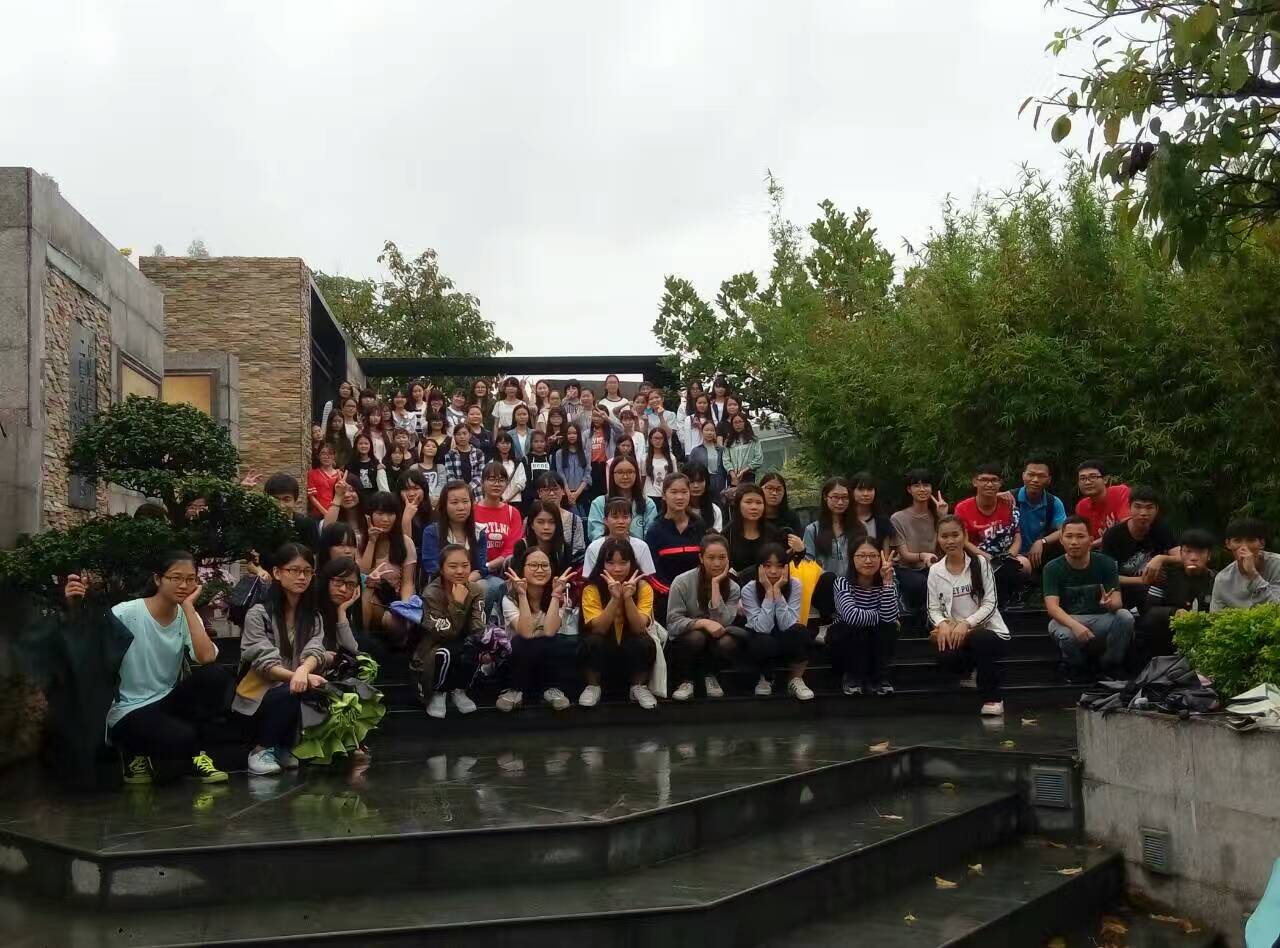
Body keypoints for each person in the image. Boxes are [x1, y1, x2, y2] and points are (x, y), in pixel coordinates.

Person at [74, 552, 229, 785]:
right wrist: (75, 605)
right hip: (128, 709)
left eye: (190, 579)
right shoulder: (127, 612)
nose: (184, 585)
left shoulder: (186, 614)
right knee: (181, 737)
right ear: (158, 579)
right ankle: (133, 752)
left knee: (215, 676)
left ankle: (198, 755)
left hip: (166, 701)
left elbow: (207, 657)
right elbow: (89, 643)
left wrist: (188, 608)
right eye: (176, 578)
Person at [235, 543, 329, 776]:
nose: (302, 577)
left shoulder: (313, 617)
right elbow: (264, 661)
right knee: (292, 691)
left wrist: (303, 672)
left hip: (294, 688)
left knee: (315, 689)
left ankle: (283, 745)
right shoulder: (259, 614)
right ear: (277, 573)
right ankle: (261, 749)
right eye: (294, 570)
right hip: (259, 696)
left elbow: (315, 649)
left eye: (307, 571)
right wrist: (298, 677)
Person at [927, 516, 1010, 716]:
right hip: (956, 635)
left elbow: (991, 603)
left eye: (955, 535)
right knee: (944, 655)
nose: (950, 541)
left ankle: (992, 698)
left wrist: (967, 623)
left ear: (964, 536)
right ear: (938, 538)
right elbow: (933, 608)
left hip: (988, 632)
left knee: (980, 639)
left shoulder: (980, 563)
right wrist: (943, 623)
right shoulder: (935, 571)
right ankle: (971, 671)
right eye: (944, 536)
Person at [1043, 516, 1134, 681]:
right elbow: (1052, 608)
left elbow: (1117, 602)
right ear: (1061, 540)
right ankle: (1077, 666)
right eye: (1069, 536)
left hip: (1100, 618)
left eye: (1080, 536)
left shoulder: (1106, 563)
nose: (1074, 542)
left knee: (1125, 617)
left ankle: (1110, 665)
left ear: (1091, 540)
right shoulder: (1052, 568)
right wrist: (1075, 626)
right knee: (1066, 634)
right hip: (1069, 619)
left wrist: (1108, 604)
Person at [579, 537, 658, 710]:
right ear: (602, 564)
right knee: (592, 641)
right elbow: (599, 628)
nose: (617, 569)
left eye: (623, 563)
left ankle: (638, 686)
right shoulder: (591, 588)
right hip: (604, 644)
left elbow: (640, 627)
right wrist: (615, 598)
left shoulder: (643, 586)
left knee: (644, 642)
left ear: (632, 563)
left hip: (630, 643)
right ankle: (593, 686)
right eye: (610, 563)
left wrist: (628, 598)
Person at [666, 533, 744, 701]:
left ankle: (711, 676)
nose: (717, 563)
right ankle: (685, 681)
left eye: (722, 557)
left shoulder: (733, 588)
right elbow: (673, 623)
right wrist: (702, 622)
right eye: (711, 557)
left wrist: (716, 585)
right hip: (686, 639)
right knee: (697, 637)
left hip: (716, 639)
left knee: (728, 642)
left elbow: (723, 622)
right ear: (701, 558)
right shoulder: (682, 582)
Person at [496, 551, 577, 712]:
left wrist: (555, 595)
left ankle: (551, 689)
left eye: (545, 565)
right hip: (518, 659)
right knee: (521, 641)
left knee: (554, 640)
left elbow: (550, 631)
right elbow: (526, 633)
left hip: (546, 658)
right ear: (522, 568)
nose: (540, 570)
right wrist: (522, 595)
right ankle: (515, 690)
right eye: (533, 565)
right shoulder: (510, 598)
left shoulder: (560, 598)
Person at [740, 543, 816, 701]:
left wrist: (778, 593)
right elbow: (762, 628)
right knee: (763, 640)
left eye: (779, 566)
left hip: (784, 636)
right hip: (760, 639)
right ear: (759, 568)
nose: (773, 571)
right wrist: (769, 593)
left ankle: (795, 679)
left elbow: (788, 624)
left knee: (800, 632)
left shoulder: (795, 585)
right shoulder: (749, 589)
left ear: (786, 567)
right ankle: (765, 677)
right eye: (768, 566)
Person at [416, 544, 483, 719]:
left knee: (477, 646)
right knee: (447, 651)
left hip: (463, 640)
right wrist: (458, 605)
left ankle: (460, 690)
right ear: (442, 569)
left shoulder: (475, 590)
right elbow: (445, 633)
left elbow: (478, 626)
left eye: (465, 565)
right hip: (434, 646)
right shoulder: (431, 593)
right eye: (453, 566)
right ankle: (439, 692)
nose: (460, 571)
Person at [829, 536, 899, 696]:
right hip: (847, 640)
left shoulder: (888, 582)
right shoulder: (842, 582)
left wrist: (887, 584)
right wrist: (879, 615)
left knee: (888, 628)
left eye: (873, 556)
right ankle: (852, 677)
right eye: (862, 556)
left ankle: (879, 678)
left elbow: (889, 619)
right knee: (850, 628)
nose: (868, 560)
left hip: (875, 639)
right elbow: (852, 617)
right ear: (852, 558)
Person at [953, 463, 1026, 607]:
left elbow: (1017, 535)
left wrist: (1009, 556)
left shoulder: (1008, 504)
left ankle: (1016, 597)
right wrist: (989, 558)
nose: (989, 484)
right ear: (975, 482)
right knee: (989, 568)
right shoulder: (962, 508)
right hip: (976, 556)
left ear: (1000, 483)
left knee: (1024, 564)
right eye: (984, 480)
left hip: (1005, 554)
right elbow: (964, 541)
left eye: (994, 480)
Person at [1140, 528, 1216, 659]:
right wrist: (1174, 612)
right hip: (1168, 637)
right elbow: (1149, 610)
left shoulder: (1216, 580)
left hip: (1203, 638)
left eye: (1200, 552)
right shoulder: (1165, 576)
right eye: (1188, 551)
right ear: (1180, 553)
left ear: (1209, 555)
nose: (1193, 558)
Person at [1101, 485, 1179, 609]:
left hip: (1157, 588)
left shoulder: (1162, 528)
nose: (1143, 513)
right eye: (1138, 507)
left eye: (1149, 507)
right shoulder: (1113, 536)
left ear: (1157, 509)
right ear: (1129, 507)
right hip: (1124, 591)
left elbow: (1182, 557)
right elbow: (1107, 577)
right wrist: (1142, 580)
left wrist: (1161, 558)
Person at [645, 473, 707, 621]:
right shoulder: (655, 530)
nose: (679, 497)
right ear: (664, 495)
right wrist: (674, 593)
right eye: (674, 492)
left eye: (684, 492)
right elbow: (652, 573)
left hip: (699, 597)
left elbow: (706, 562)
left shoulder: (699, 525)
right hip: (667, 599)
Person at [358, 492, 418, 634]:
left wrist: (404, 607)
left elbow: (408, 583)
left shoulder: (405, 543)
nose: (385, 519)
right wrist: (372, 541)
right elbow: (362, 575)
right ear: (369, 515)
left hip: (394, 599)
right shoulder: (359, 541)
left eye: (390, 514)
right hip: (366, 598)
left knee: (398, 622)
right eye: (380, 513)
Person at [474, 462, 526, 615]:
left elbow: (511, 550)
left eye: (501, 480)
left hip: (502, 572)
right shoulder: (472, 510)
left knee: (492, 587)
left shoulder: (512, 513)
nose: (497, 484)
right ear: (482, 482)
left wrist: (487, 566)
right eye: (491, 479)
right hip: (474, 570)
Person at [419, 480, 489, 582]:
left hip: (471, 582)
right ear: (444, 505)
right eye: (454, 502)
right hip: (441, 583)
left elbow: (481, 568)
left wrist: (465, 583)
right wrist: (455, 583)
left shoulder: (479, 532)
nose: (461, 507)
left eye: (465, 501)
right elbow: (432, 567)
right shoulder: (432, 532)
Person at [1211, 517, 1280, 611]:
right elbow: (1215, 617)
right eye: (1237, 540)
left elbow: (1276, 608)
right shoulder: (1222, 580)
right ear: (1228, 544)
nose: (1244, 547)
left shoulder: (1277, 565)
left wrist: (1253, 574)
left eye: (1251, 540)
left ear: (1262, 543)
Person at [587, 457, 658, 542]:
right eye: (620, 472)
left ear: (637, 474)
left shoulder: (647, 503)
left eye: (630, 472)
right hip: (607, 548)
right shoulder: (600, 503)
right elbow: (595, 534)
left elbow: (651, 536)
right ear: (612, 474)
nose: (625, 476)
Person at [583, 497, 658, 576]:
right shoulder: (594, 547)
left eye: (625, 517)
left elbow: (648, 577)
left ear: (631, 519)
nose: (621, 522)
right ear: (605, 520)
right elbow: (589, 579)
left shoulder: (642, 546)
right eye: (615, 517)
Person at [891, 468, 945, 578]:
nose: (922, 489)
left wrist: (943, 516)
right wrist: (923, 556)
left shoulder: (937, 515)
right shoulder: (898, 518)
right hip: (908, 569)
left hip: (935, 566)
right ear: (909, 489)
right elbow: (904, 554)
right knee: (919, 583)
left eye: (926, 485)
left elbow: (948, 543)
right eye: (917, 486)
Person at [1015, 457, 1066, 570]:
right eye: (1031, 475)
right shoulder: (1010, 499)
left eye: (1041, 476)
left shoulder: (1053, 502)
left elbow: (1064, 530)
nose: (1035, 480)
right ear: (1023, 476)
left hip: (1041, 557)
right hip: (1013, 557)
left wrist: (1042, 541)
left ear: (1049, 479)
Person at [804, 477, 858, 577]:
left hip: (853, 584)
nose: (840, 502)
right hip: (824, 584)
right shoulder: (813, 530)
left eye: (845, 497)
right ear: (825, 497)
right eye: (835, 497)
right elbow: (808, 563)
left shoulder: (859, 527)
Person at [534, 472, 587, 566]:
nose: (551, 493)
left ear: (563, 491)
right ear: (539, 493)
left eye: (555, 489)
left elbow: (579, 551)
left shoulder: (575, 520)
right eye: (546, 490)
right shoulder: (532, 518)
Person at [510, 500, 574, 575]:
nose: (546, 527)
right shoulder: (522, 546)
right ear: (532, 524)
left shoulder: (564, 549)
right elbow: (516, 576)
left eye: (551, 522)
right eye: (540, 522)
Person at [1075, 460, 1131, 545]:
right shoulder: (1081, 507)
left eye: (1093, 477)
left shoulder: (1120, 492)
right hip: (1098, 550)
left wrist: (1091, 545)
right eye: (1082, 479)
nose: (1087, 482)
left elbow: (1126, 528)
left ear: (1105, 479)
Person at [726, 483, 774, 581]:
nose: (754, 507)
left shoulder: (773, 533)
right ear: (738, 504)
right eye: (748, 502)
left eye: (759, 502)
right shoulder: (727, 533)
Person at [759, 472, 806, 558]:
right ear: (760, 489)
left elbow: (798, 546)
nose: (774, 493)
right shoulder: (753, 515)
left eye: (779, 489)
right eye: (769, 488)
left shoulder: (791, 516)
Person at [553, 422, 592, 515]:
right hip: (566, 493)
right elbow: (560, 473)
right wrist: (568, 493)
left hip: (582, 492)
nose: (572, 436)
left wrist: (577, 493)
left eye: (574, 433)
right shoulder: (559, 453)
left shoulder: (585, 453)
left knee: (583, 518)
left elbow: (587, 474)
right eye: (569, 433)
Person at [444, 421, 486, 501]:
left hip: (476, 493)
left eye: (464, 433)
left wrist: (469, 487)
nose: (462, 437)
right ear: (454, 437)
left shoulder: (478, 453)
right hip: (457, 493)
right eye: (458, 434)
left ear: (470, 435)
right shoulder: (450, 454)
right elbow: (450, 476)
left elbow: (481, 474)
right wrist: (461, 489)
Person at [346, 432, 389, 510]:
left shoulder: (376, 464)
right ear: (356, 445)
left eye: (366, 443)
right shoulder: (350, 464)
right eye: (361, 443)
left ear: (370, 446)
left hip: (373, 501)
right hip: (357, 501)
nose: (363, 446)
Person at [687, 420, 726, 496]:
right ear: (702, 431)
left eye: (712, 430)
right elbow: (691, 470)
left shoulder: (721, 450)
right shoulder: (696, 450)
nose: (709, 433)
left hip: (719, 481)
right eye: (706, 430)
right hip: (702, 481)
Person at [723, 413, 763, 490]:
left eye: (740, 421)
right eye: (735, 422)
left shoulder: (753, 440)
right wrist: (733, 474)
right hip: (733, 477)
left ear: (745, 423)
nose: (738, 424)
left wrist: (744, 471)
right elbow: (725, 459)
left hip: (748, 475)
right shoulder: (728, 442)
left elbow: (758, 459)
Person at [684, 461, 725, 531]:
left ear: (707, 482)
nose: (696, 486)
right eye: (691, 481)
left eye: (700, 481)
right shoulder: (678, 509)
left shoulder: (714, 510)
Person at [307, 444, 344, 520]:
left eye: (330, 453)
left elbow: (342, 495)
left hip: (337, 512)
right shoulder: (313, 473)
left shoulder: (340, 474)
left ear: (334, 456)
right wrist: (325, 513)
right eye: (323, 453)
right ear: (318, 456)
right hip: (317, 515)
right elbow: (311, 497)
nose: (326, 457)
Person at [493, 432, 528, 510]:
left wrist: (508, 499)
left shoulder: (518, 463)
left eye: (507, 443)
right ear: (497, 445)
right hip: (497, 500)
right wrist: (501, 498)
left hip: (516, 501)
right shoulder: (492, 463)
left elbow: (521, 483)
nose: (505, 445)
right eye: (502, 443)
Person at [586, 412, 615, 503]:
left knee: (607, 495)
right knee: (594, 497)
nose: (596, 419)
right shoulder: (586, 433)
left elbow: (620, 429)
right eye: (594, 416)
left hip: (606, 466)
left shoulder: (611, 432)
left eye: (599, 416)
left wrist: (607, 419)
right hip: (592, 467)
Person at [521, 430, 554, 507]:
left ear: (545, 443)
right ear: (531, 443)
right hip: (530, 500)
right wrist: (534, 497)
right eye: (536, 441)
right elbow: (525, 481)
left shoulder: (550, 458)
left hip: (548, 498)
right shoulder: (526, 459)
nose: (539, 444)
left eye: (542, 441)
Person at [397, 469, 432, 542]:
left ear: (424, 490)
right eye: (406, 489)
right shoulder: (394, 513)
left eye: (416, 488)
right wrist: (407, 519)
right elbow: (405, 546)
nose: (411, 494)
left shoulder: (434, 513)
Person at [643, 427, 677, 501]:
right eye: (655, 438)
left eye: (661, 438)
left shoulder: (671, 458)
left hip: (666, 495)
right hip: (649, 495)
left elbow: (675, 478)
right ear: (650, 440)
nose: (658, 441)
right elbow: (642, 477)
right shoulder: (644, 458)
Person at [413, 436, 446, 505]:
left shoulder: (441, 467)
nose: (430, 448)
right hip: (420, 501)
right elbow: (414, 486)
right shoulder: (414, 467)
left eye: (434, 447)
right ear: (422, 449)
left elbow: (442, 484)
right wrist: (426, 499)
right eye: (427, 446)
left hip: (437, 501)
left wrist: (434, 497)